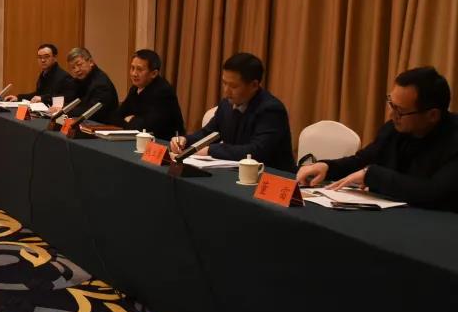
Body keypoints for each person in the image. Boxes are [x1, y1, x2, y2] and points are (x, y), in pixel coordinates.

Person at [297, 67, 458, 211]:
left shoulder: (453, 139)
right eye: (391, 104)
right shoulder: (393, 129)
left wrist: (372, 175)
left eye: (400, 111)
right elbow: (361, 161)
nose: (391, 115)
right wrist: (327, 167)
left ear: (432, 115)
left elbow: (434, 193)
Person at [170, 52, 295, 172]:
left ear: (254, 85)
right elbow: (208, 134)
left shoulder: (271, 110)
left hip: (271, 176)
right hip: (235, 172)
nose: (226, 91)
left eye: (233, 86)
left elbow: (256, 151)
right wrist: (185, 140)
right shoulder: (226, 105)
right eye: (224, 83)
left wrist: (210, 150)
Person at [114, 49, 185, 140]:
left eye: (139, 69)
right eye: (132, 68)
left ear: (154, 74)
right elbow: (117, 117)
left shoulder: (163, 92)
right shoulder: (135, 88)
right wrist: (132, 121)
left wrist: (131, 120)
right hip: (140, 140)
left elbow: (146, 128)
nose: (134, 73)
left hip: (164, 143)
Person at [4, 43, 74, 105]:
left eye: (46, 57)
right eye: (40, 57)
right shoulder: (44, 74)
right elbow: (38, 95)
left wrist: (43, 98)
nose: (43, 60)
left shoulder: (64, 77)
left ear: (55, 58)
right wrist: (18, 97)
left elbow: (66, 97)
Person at [63, 47, 119, 124]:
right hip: (88, 122)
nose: (76, 70)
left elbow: (91, 112)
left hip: (103, 125)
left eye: (79, 65)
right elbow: (71, 100)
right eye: (73, 67)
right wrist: (61, 109)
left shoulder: (101, 83)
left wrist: (65, 111)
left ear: (91, 62)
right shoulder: (80, 80)